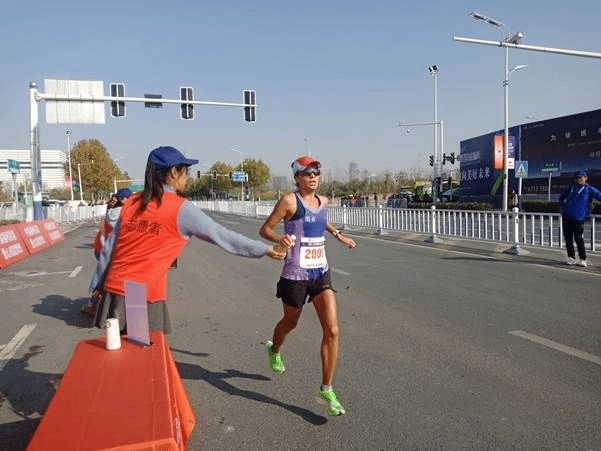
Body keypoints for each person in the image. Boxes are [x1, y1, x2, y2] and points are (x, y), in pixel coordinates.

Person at [89, 146, 285, 334]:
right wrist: (264, 249)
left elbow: (110, 248)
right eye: (186, 172)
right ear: (174, 172)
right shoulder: (179, 208)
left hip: (112, 289)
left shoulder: (132, 201)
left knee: (121, 350)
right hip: (138, 294)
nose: (187, 177)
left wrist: (98, 285)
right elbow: (222, 236)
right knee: (141, 353)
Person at [259, 155, 356, 416]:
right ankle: (274, 349)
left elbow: (321, 220)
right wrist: (280, 238)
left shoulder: (323, 200)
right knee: (290, 323)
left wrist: (337, 235)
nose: (312, 177)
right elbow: (265, 229)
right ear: (297, 177)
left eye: (316, 172)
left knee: (332, 330)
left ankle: (326, 388)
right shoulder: (289, 201)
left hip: (320, 273)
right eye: (306, 173)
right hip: (295, 275)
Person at [81, 188, 133, 315]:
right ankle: (95, 305)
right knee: (106, 279)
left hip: (111, 251)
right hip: (109, 251)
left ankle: (110, 308)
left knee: (109, 278)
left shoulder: (119, 212)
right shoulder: (122, 213)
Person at [558, 170, 601, 266]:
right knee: (568, 239)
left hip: (579, 218)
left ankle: (582, 258)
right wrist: (562, 209)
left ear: (586, 178)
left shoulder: (589, 189)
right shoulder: (571, 188)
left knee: (579, 239)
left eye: (581, 177)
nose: (579, 179)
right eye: (577, 178)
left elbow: (599, 196)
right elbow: (561, 198)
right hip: (567, 217)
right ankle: (571, 258)